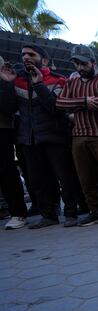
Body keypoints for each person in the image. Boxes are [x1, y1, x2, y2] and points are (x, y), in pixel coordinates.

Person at [0, 45, 81, 229]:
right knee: (39, 180)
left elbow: (56, 108)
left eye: (31, 54)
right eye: (23, 55)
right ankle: (49, 215)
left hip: (54, 137)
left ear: (44, 60)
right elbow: (8, 110)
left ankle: (71, 213)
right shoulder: (16, 81)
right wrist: (6, 83)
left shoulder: (59, 80)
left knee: (64, 177)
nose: (26, 57)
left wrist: (38, 84)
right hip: (29, 139)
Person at [56, 45, 98, 226]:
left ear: (93, 62)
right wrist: (85, 101)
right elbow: (60, 103)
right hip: (78, 135)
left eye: (83, 63)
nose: (79, 68)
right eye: (76, 64)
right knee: (84, 176)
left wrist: (75, 105)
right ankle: (94, 211)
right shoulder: (71, 82)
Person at [0, 56, 28, 229]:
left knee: (5, 169)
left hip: (2, 127)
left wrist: (5, 82)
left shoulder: (3, 73)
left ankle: (18, 213)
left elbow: (9, 107)